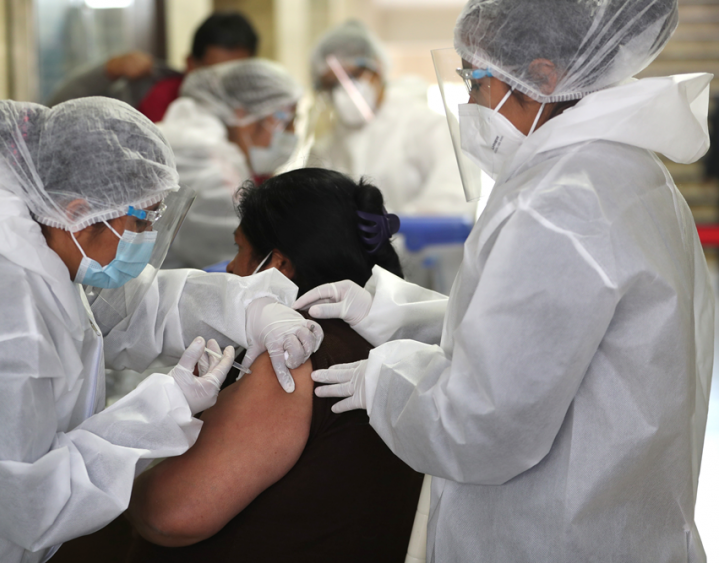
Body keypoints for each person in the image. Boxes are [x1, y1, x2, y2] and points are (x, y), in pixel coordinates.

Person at [296, 0, 716, 561]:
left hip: (550, 538)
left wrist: (384, 382)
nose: (469, 103)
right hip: (619, 527)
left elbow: (480, 426)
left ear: (542, 77)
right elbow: (542, 340)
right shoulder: (622, 171)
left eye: (475, 81)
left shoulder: (559, 205)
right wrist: (389, 312)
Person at [0, 97, 321, 563]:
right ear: (77, 212)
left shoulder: (38, 254)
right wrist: (164, 408)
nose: (147, 236)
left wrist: (252, 309)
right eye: (140, 220)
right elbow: (37, 503)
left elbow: (139, 308)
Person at [123, 168, 422, 563]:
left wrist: (121, 475)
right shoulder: (392, 346)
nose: (230, 269)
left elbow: (171, 513)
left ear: (278, 264)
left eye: (239, 249)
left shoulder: (293, 357)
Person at [308, 20, 472, 217]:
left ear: (377, 66)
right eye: (331, 84)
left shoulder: (429, 127)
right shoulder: (325, 149)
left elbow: (453, 203)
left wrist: (387, 229)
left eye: (352, 76)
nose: (343, 91)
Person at [160, 58, 303, 269]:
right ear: (243, 114)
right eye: (286, 122)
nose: (292, 133)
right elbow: (252, 261)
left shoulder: (195, 145)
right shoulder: (207, 169)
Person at [46, 11, 257, 122]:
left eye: (236, 74)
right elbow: (56, 111)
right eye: (214, 73)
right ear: (190, 64)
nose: (224, 85)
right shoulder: (155, 96)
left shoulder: (257, 112)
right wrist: (109, 70)